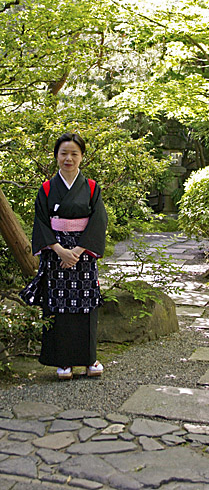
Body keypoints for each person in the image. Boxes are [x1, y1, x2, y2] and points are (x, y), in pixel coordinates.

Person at [20, 133, 108, 380]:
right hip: (56, 253)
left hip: (83, 254)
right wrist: (59, 250)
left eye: (74, 153)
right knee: (57, 306)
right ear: (56, 156)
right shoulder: (47, 188)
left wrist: (78, 251)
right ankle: (63, 362)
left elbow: (98, 221)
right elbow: (41, 222)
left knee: (86, 304)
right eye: (63, 153)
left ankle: (89, 359)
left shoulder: (91, 187)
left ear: (82, 157)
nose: (68, 158)